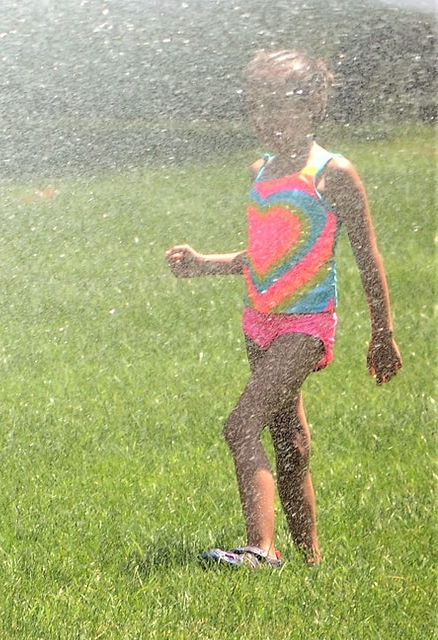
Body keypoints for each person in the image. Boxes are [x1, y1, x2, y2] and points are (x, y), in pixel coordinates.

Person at [165, 49, 400, 569]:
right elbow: (265, 258)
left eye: (280, 106)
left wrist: (382, 332)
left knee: (241, 423)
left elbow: (367, 255)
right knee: (288, 439)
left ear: (313, 105)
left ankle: (261, 550)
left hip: (306, 327)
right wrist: (205, 264)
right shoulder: (261, 171)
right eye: (257, 106)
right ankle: (311, 564)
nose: (266, 119)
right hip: (259, 321)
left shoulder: (332, 173)